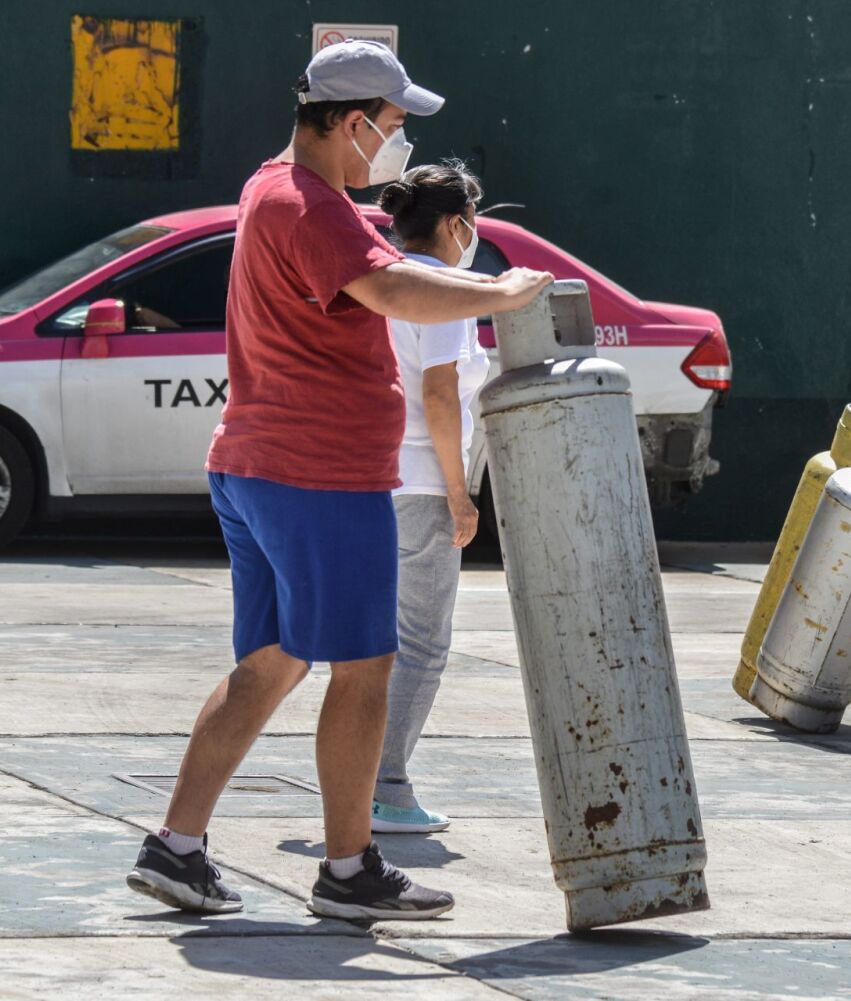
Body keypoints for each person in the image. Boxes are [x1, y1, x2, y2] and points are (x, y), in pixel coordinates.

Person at [124, 40, 552, 921]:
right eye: (393, 126)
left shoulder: (268, 187)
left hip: (256, 463)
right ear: (353, 123)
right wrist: (501, 294)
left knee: (271, 663)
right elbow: (397, 291)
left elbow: (381, 278)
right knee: (367, 667)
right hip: (319, 474)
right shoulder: (311, 208)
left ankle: (175, 847)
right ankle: (350, 869)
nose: (398, 143)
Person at [369, 161, 490, 834]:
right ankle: (385, 785)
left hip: (374, 478)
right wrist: (460, 493)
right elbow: (440, 395)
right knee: (422, 643)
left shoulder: (383, 278)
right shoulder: (443, 289)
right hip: (420, 483)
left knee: (377, 641)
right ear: (454, 225)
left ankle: (359, 774)